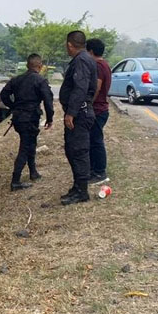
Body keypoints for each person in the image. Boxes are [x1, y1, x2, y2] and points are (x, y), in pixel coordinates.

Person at [0, 54, 54, 191]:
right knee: (25, 147)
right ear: (40, 66)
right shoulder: (40, 81)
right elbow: (48, 101)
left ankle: (33, 172)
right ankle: (15, 180)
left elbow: (4, 94)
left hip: (18, 117)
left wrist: (13, 106)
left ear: (27, 65)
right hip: (30, 118)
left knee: (30, 143)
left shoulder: (17, 79)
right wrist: (50, 118)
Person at [59, 30, 98, 205]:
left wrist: (71, 113)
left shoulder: (81, 60)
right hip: (80, 112)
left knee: (79, 151)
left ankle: (82, 191)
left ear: (69, 45)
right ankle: (77, 185)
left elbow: (80, 88)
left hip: (80, 113)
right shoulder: (84, 59)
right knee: (71, 149)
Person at [86, 38, 111, 184]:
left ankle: (100, 172)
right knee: (93, 140)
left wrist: (89, 103)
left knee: (96, 141)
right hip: (100, 108)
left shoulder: (98, 66)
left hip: (97, 109)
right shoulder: (105, 65)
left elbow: (97, 87)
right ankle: (94, 170)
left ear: (90, 51)